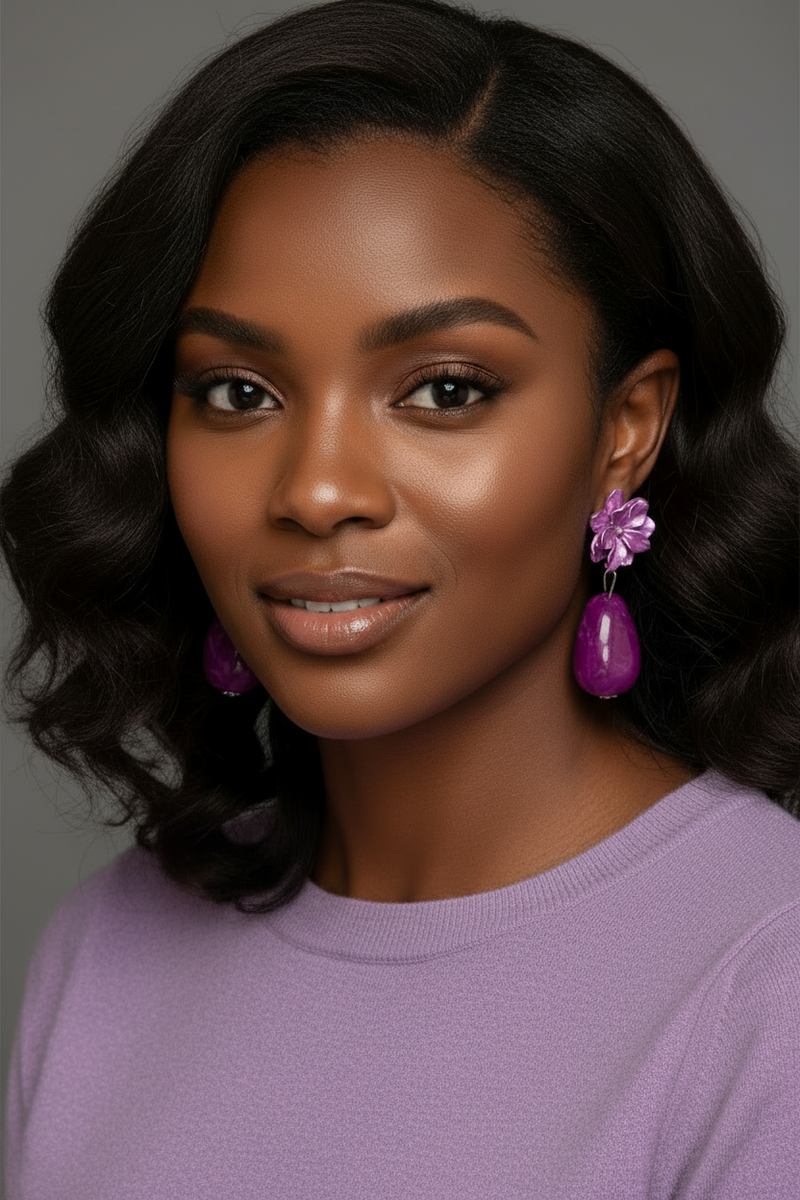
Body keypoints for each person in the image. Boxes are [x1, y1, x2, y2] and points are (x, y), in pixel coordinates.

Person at [2, 0, 798, 1194]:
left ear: (623, 429)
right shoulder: (108, 943)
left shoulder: (764, 977)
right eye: (235, 393)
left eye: (442, 388)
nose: (317, 490)